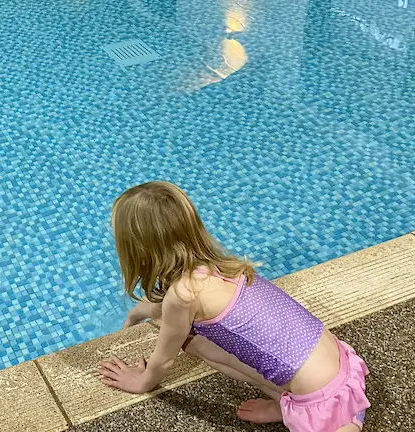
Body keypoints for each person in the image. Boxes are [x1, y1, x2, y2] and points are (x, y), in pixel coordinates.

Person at [98, 182, 370, 431]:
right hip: (340, 368)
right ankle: (285, 403)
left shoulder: (182, 295)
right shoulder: (218, 266)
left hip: (320, 401)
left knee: (191, 343)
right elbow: (170, 311)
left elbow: (163, 359)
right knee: (195, 343)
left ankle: (319, 417)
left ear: (138, 249)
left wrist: (141, 382)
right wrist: (138, 312)